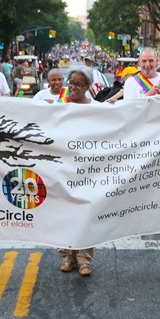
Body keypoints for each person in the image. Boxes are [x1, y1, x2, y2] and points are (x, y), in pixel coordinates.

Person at [58, 67, 97, 276]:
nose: (73, 87)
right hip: (62, 170)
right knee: (64, 214)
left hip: (88, 171)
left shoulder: (98, 108)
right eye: (71, 82)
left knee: (85, 214)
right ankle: (67, 256)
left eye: (79, 84)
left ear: (87, 87)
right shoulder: (57, 106)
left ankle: (84, 260)